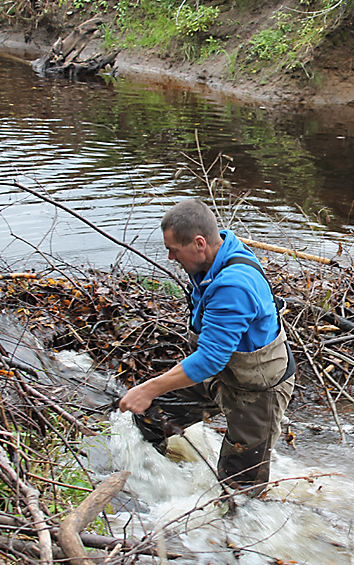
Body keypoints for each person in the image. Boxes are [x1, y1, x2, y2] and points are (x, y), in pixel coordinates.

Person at [119, 199, 295, 495]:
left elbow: (209, 359)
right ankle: (156, 487)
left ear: (200, 243)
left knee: (239, 490)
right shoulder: (214, 255)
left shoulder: (234, 285)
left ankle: (237, 535)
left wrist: (147, 388)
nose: (170, 257)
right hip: (224, 373)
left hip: (258, 390)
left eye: (173, 249)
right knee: (150, 417)